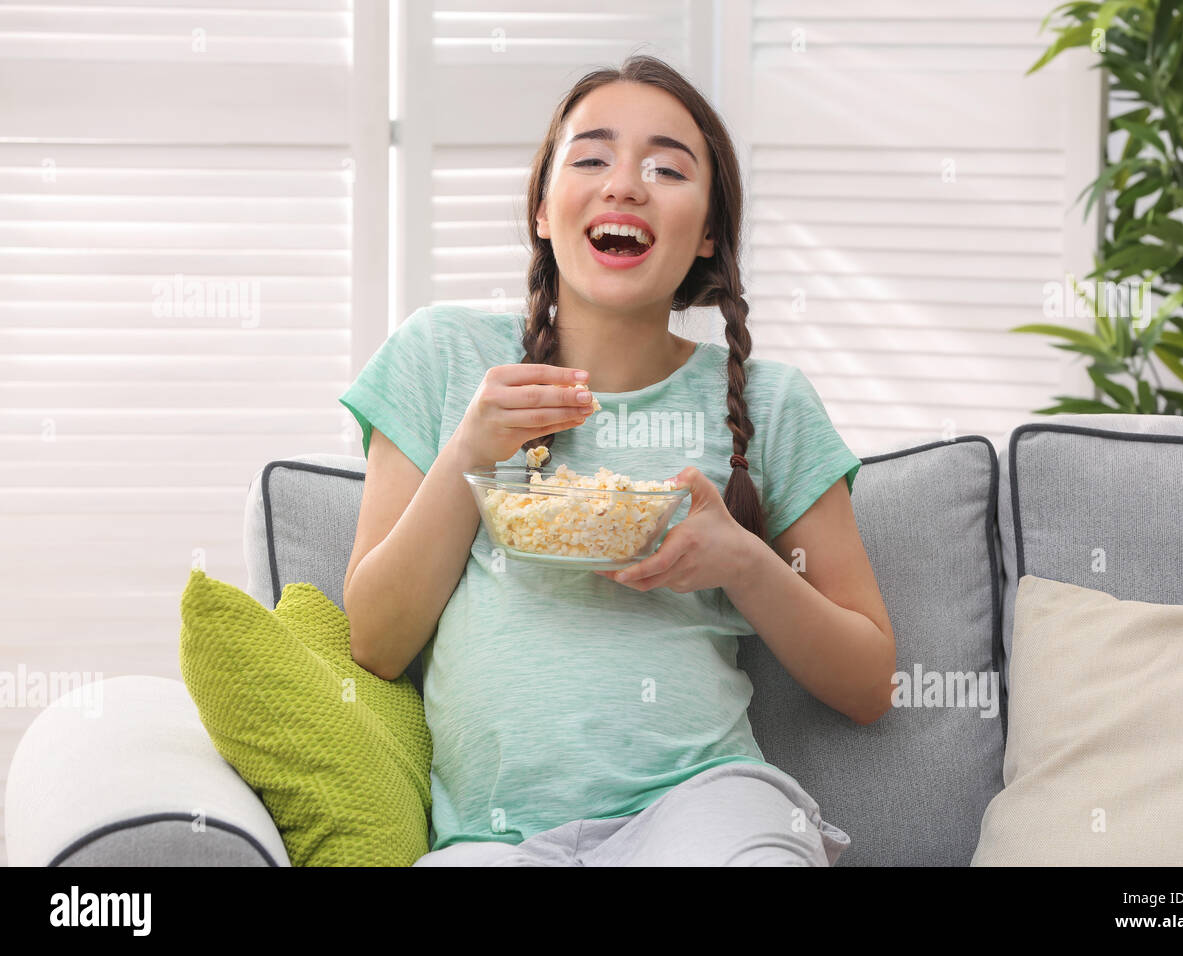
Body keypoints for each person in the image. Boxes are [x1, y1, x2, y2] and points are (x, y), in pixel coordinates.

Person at [339, 54, 896, 866]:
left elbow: (871, 684)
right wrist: (471, 453)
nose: (625, 185)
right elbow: (376, 643)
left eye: (667, 168)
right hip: (494, 837)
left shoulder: (770, 404)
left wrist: (744, 562)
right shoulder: (443, 357)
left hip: (704, 808)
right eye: (591, 157)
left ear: (708, 231)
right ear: (541, 209)